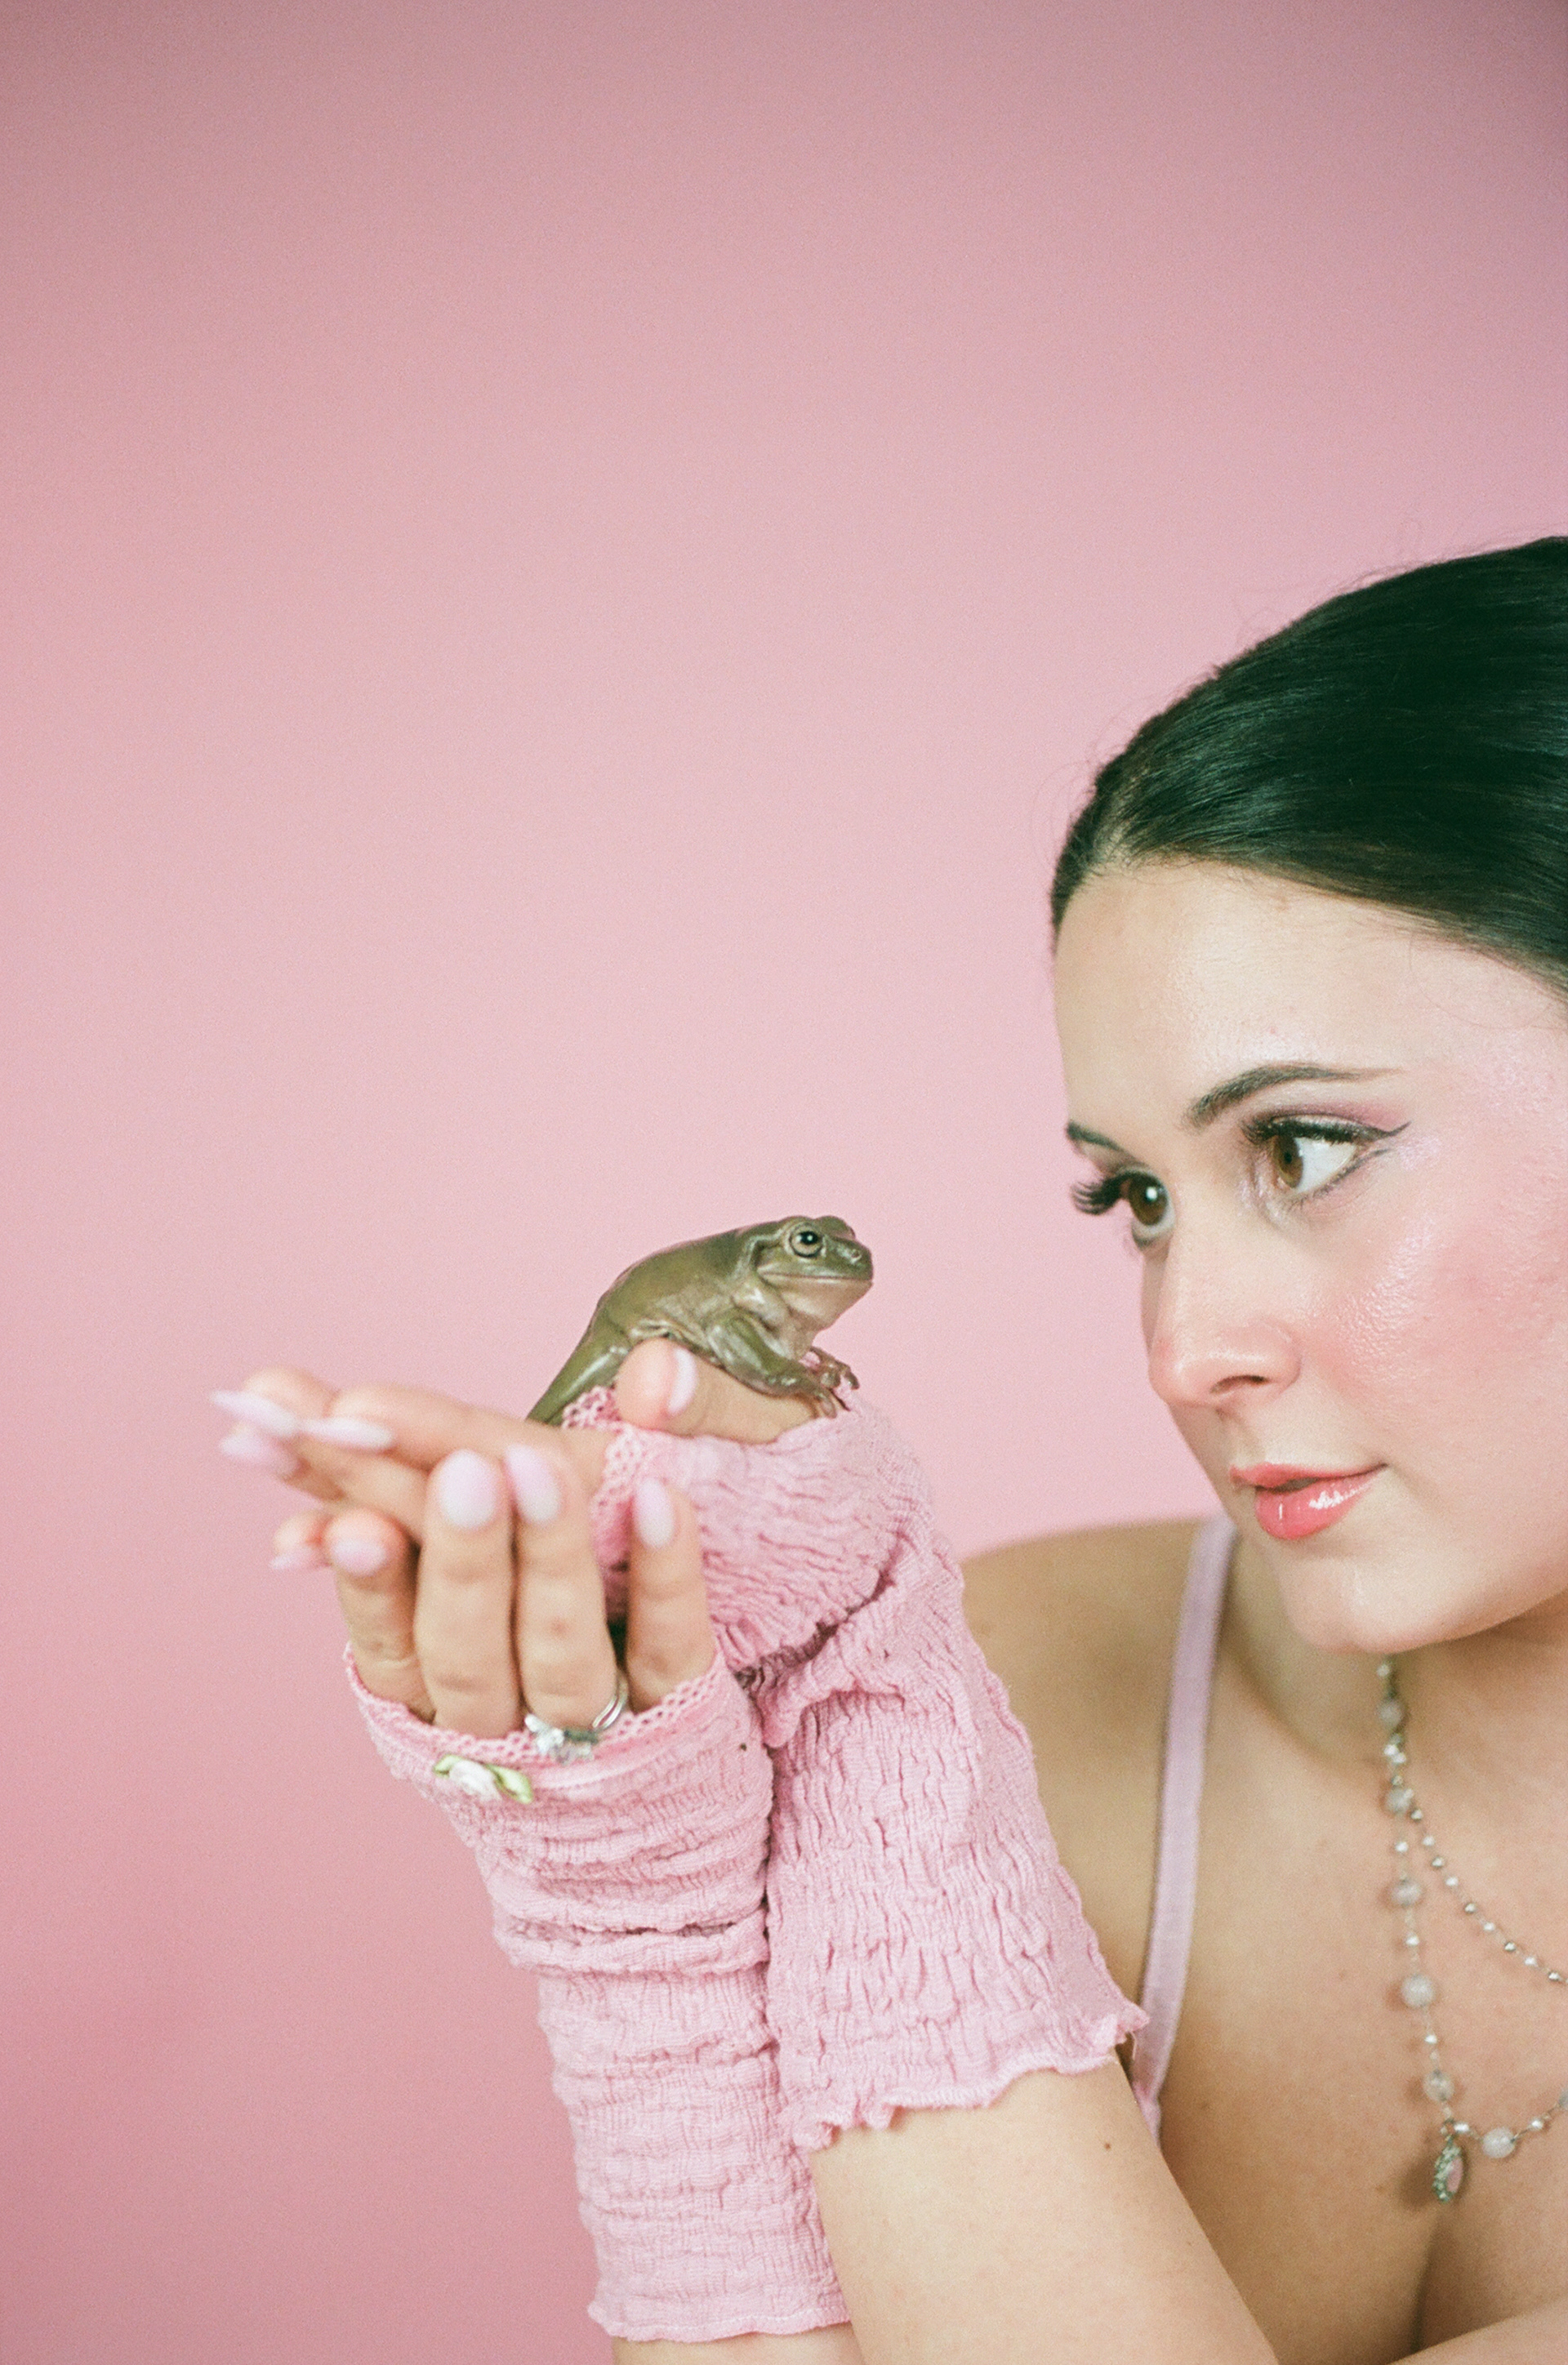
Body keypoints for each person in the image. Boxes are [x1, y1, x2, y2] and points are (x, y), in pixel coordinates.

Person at [216, 537, 1568, 2363]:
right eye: (1140, 1198)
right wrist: (636, 1918)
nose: (1186, 1350)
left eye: (1308, 1147)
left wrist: (866, 1680)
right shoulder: (1035, 1692)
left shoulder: (910, 1691)